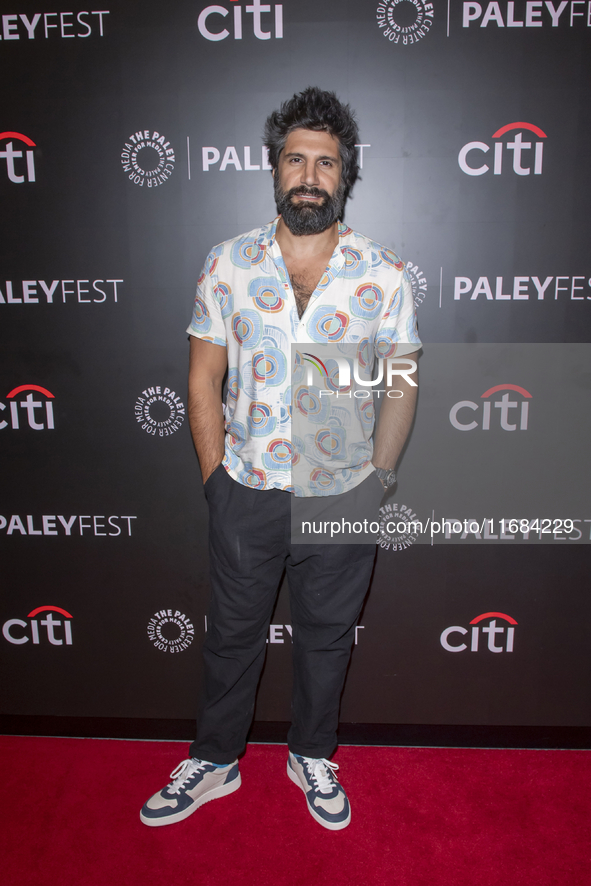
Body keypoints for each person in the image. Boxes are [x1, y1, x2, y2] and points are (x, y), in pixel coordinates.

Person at [140, 87, 421, 831]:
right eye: (295, 159)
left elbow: (400, 383)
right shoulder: (228, 262)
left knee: (327, 639)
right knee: (231, 634)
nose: (309, 174)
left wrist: (378, 480)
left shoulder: (383, 272)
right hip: (247, 488)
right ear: (274, 169)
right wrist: (215, 479)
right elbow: (202, 375)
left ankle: (310, 754)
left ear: (344, 175)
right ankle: (215, 760)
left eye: (324, 162)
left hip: (341, 493)